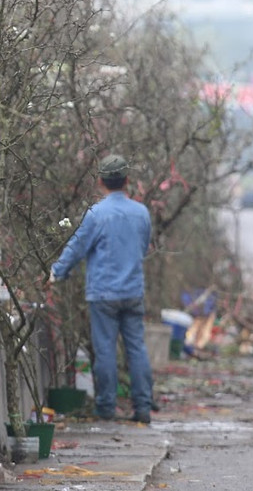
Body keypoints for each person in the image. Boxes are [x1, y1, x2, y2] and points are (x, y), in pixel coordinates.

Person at [50, 154, 153, 424]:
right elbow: (143, 249)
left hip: (104, 293)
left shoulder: (97, 214)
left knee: (105, 350)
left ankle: (106, 407)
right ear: (127, 180)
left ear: (100, 182)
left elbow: (78, 247)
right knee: (137, 349)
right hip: (133, 291)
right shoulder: (141, 213)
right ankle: (142, 407)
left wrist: (57, 271)